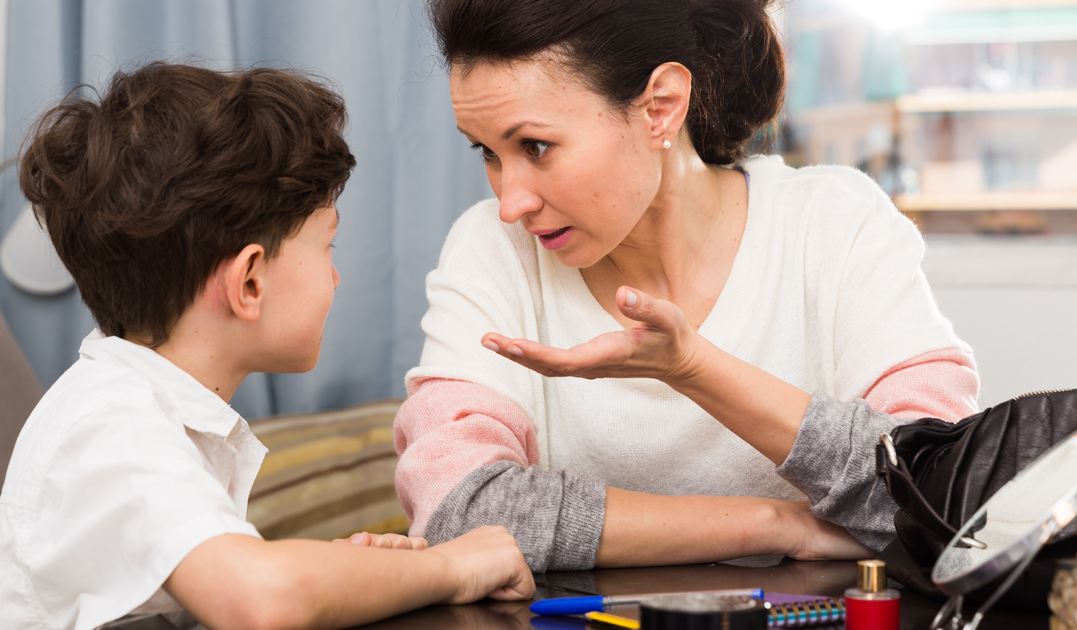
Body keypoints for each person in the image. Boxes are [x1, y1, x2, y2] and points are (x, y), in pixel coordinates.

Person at [387, 0, 980, 572]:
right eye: (488, 152)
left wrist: (694, 367)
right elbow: (458, 506)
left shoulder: (834, 224)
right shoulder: (493, 252)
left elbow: (941, 496)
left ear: (660, 108)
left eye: (535, 147)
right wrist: (774, 525)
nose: (510, 203)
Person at [0, 62, 533, 630]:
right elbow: (260, 600)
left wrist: (348, 572)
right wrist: (451, 567)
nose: (335, 277)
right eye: (328, 245)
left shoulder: (144, 408)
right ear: (249, 282)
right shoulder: (108, 425)